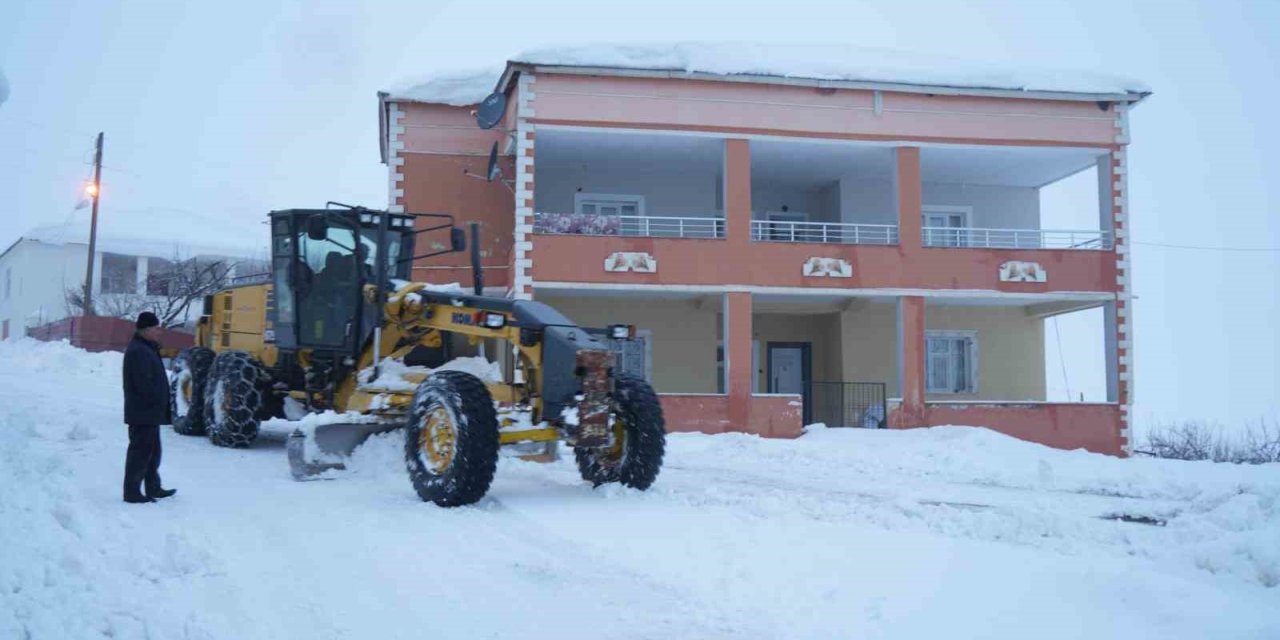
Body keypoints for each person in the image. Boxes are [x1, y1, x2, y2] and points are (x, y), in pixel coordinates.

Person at [122, 311, 177, 504]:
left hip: (150, 412)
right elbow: (143, 384)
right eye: (155, 328)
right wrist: (156, 400)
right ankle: (132, 492)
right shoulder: (138, 351)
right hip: (142, 411)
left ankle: (153, 487)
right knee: (140, 453)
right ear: (145, 329)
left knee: (153, 452)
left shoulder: (147, 348)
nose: (158, 332)